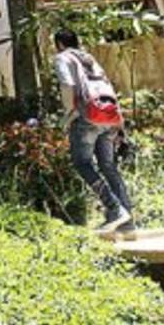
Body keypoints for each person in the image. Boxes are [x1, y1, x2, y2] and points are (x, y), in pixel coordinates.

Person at [53, 28, 135, 236]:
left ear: (59, 44)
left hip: (86, 117)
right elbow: (107, 86)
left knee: (82, 163)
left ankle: (115, 209)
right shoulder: (89, 58)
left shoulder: (63, 57)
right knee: (108, 166)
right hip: (108, 116)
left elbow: (66, 84)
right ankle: (127, 221)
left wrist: (69, 113)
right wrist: (120, 122)